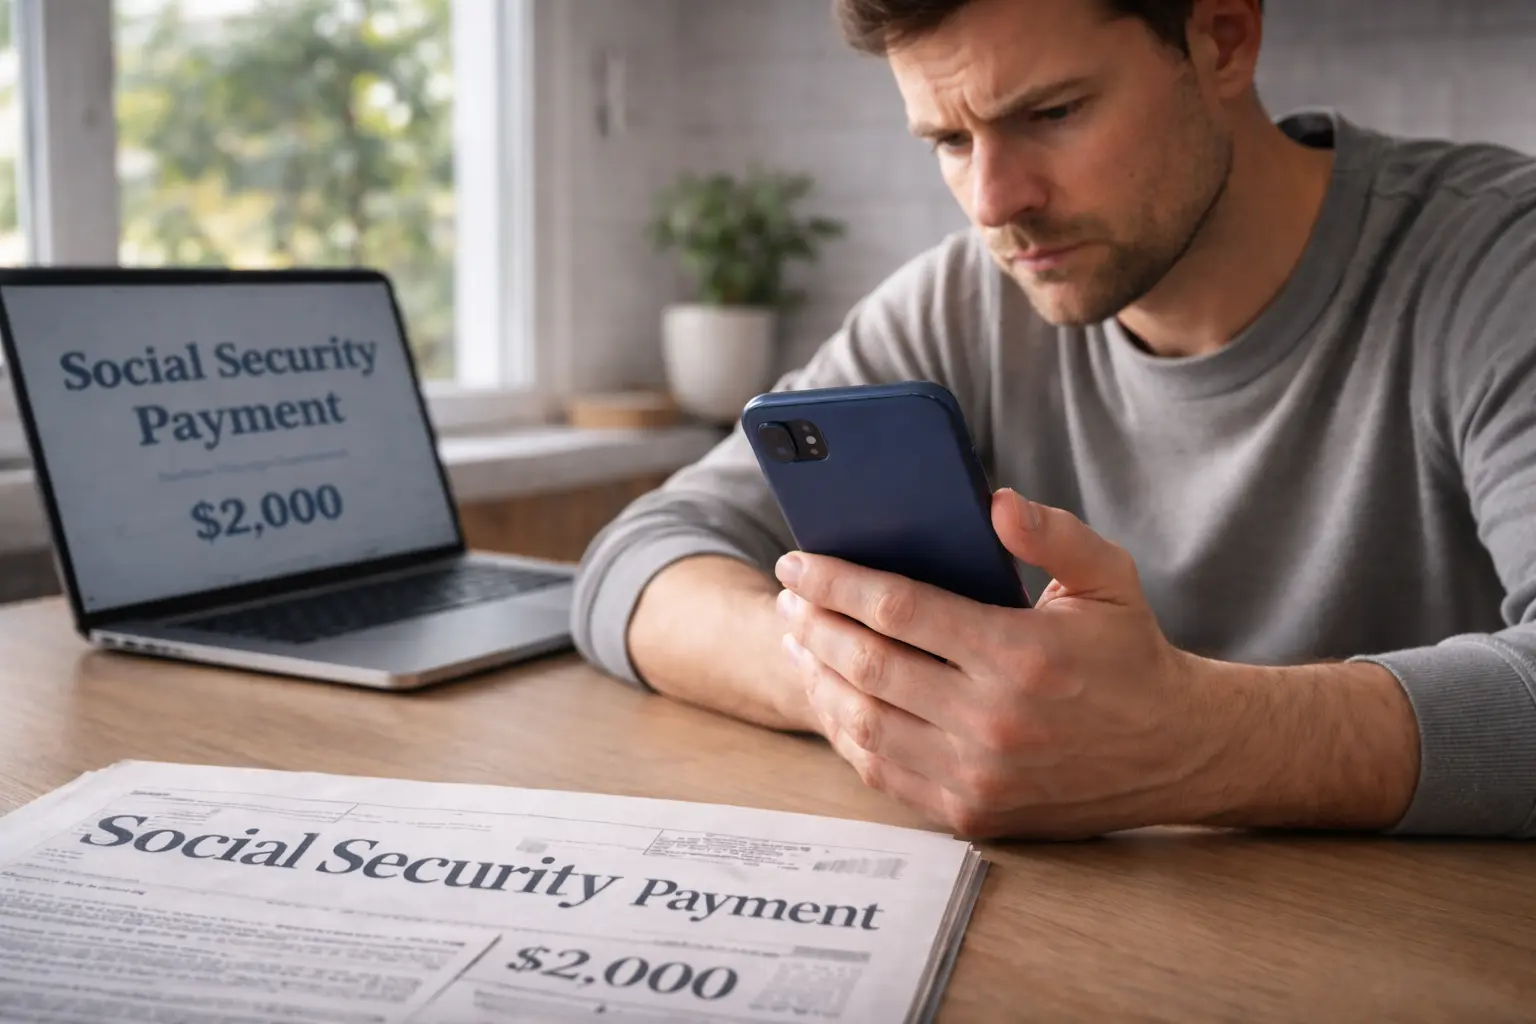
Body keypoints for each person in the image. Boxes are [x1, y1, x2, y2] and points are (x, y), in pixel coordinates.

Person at [571, 0, 1536, 839]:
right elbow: (639, 559)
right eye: (950, 142)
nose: (996, 204)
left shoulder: (1499, 264)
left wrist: (1192, 741)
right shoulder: (963, 303)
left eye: (1052, 113)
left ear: (1222, 39)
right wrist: (888, 697)